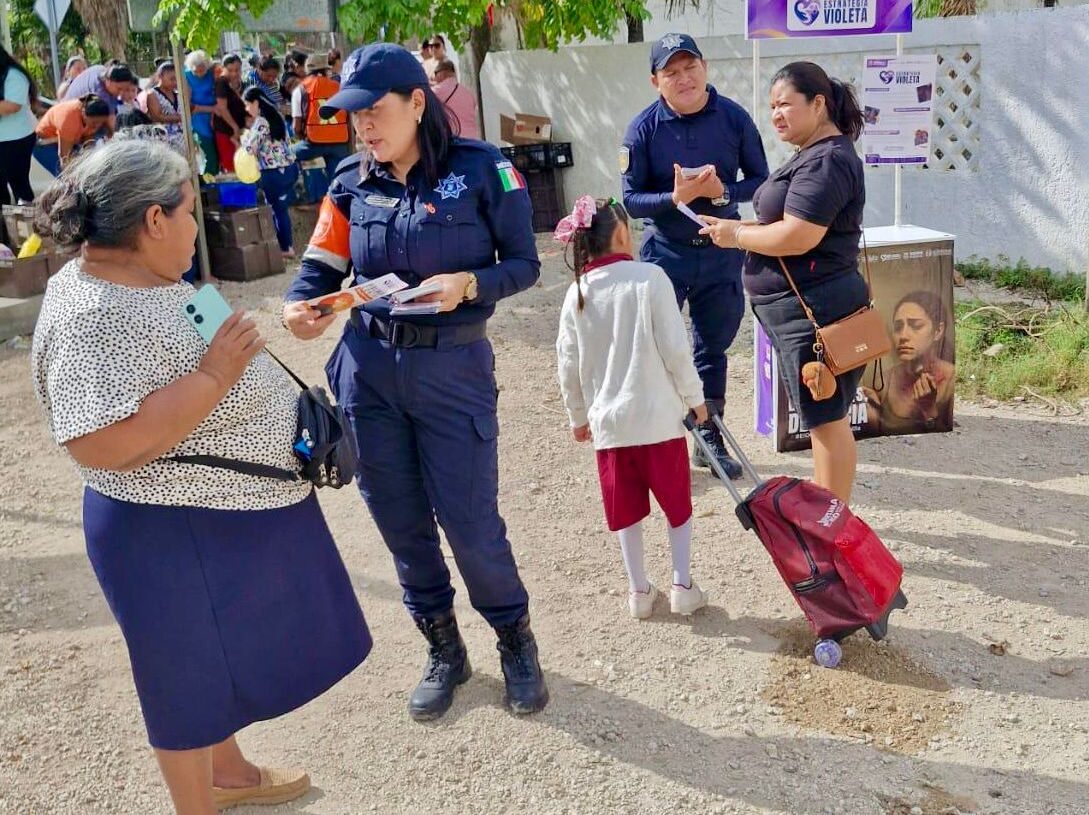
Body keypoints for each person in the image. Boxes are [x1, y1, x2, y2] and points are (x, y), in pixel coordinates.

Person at [30, 139, 370, 815]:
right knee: (184, 677)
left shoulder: (152, 274)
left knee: (216, 661)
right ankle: (197, 804)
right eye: (190, 210)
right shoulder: (91, 312)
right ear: (153, 220)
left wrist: (240, 357)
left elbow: (207, 331)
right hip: (168, 524)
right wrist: (215, 373)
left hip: (217, 513)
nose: (198, 225)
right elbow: (99, 441)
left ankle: (230, 773)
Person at [281, 42, 548, 721]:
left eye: (375, 110)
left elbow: (524, 264)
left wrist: (470, 284)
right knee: (400, 523)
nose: (364, 126)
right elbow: (320, 267)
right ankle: (443, 648)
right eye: (354, 115)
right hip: (367, 374)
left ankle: (514, 640)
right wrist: (300, 307)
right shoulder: (349, 181)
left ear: (417, 103)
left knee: (469, 522)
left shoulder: (484, 170)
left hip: (452, 370)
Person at [699, 61, 867, 505]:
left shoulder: (827, 160)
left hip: (817, 310)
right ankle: (829, 515)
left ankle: (831, 523)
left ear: (818, 103)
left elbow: (799, 235)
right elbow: (787, 222)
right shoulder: (813, 154)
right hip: (805, 307)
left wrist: (738, 236)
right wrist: (738, 228)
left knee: (827, 421)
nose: (776, 114)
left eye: (785, 104)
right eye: (772, 106)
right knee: (823, 419)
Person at [621, 33, 769, 481]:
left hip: (722, 251)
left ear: (705, 67)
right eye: (672, 72)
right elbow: (631, 200)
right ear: (655, 81)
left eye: (690, 68)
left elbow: (761, 181)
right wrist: (674, 197)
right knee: (652, 349)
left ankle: (708, 438)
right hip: (666, 254)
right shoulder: (643, 129)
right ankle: (654, 444)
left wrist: (724, 192)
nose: (684, 78)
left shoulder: (734, 118)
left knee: (712, 347)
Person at [555, 196, 710, 620]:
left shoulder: (577, 291)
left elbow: (567, 361)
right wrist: (695, 399)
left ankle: (638, 591)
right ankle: (682, 584)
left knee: (625, 511)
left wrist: (577, 416)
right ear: (623, 233)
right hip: (658, 419)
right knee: (677, 504)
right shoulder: (650, 278)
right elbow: (676, 349)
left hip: (610, 426)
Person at [865, 290, 955, 433]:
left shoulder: (950, 379)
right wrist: (871, 411)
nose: (903, 336)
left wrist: (929, 409)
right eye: (898, 327)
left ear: (938, 331)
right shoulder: (884, 382)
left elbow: (946, 437)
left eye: (916, 326)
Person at [241, 86, 299, 258]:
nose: (247, 109)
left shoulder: (261, 122)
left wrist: (244, 138)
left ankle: (286, 248)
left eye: (247, 104)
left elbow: (250, 149)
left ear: (256, 103)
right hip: (289, 169)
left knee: (278, 211)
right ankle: (285, 245)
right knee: (281, 209)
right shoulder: (276, 115)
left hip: (273, 173)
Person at [291, 52, 351, 196]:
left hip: (314, 143)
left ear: (307, 70)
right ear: (325, 69)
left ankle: (298, 194)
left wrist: (301, 137)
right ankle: (337, 203)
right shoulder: (338, 87)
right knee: (338, 183)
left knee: (287, 155)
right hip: (339, 143)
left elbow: (296, 127)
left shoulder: (301, 89)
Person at [33, 95, 111, 176]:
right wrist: (71, 177)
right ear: (84, 114)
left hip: (68, 140)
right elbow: (64, 157)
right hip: (44, 144)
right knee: (68, 177)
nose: (97, 126)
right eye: (94, 123)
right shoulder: (69, 119)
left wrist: (89, 158)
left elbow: (88, 141)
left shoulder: (91, 117)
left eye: (101, 122)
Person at [0, 44, 38, 210]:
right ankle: (5, 225)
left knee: (20, 187)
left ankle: (27, 224)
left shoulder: (14, 75)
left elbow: (12, 106)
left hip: (16, 139)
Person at [184, 50, 219, 175]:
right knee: (210, 155)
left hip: (216, 116)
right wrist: (212, 109)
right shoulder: (186, 76)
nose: (199, 74)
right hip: (198, 119)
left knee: (219, 153)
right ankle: (208, 181)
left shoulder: (212, 72)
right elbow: (189, 105)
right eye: (196, 71)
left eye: (202, 70)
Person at [62, 63, 135, 122]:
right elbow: (111, 124)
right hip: (70, 120)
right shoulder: (100, 94)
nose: (121, 93)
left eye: (125, 89)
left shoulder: (101, 69)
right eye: (119, 89)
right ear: (108, 82)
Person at [213, 54, 247, 173]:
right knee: (231, 166)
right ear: (223, 68)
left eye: (237, 70)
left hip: (238, 132)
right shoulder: (221, 83)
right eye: (230, 70)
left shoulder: (238, 84)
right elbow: (222, 108)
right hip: (226, 131)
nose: (234, 73)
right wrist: (235, 127)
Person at [430, 59, 479, 139]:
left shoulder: (438, 90)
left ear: (442, 73)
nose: (434, 78)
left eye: (435, 73)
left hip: (455, 140)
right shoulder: (468, 92)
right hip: (472, 140)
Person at [145, 61, 186, 154]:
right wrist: (180, 118)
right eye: (172, 79)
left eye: (176, 79)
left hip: (182, 139)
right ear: (160, 76)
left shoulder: (178, 94)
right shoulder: (152, 94)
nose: (175, 82)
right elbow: (157, 117)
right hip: (164, 139)